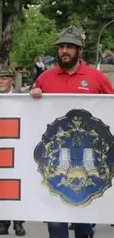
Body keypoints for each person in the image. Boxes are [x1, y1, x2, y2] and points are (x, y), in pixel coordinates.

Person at [29, 26, 113, 238]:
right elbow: (30, 112)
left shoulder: (96, 77)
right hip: (55, 156)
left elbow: (110, 108)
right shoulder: (45, 78)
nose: (64, 51)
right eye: (61, 47)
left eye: (70, 47)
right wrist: (32, 96)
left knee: (83, 219)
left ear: (80, 50)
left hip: (88, 156)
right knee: (56, 222)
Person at [0, 66, 26, 236]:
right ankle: (2, 224)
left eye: (4, 78)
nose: (0, 81)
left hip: (17, 146)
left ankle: (18, 222)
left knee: (17, 187)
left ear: (11, 80)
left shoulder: (23, 99)